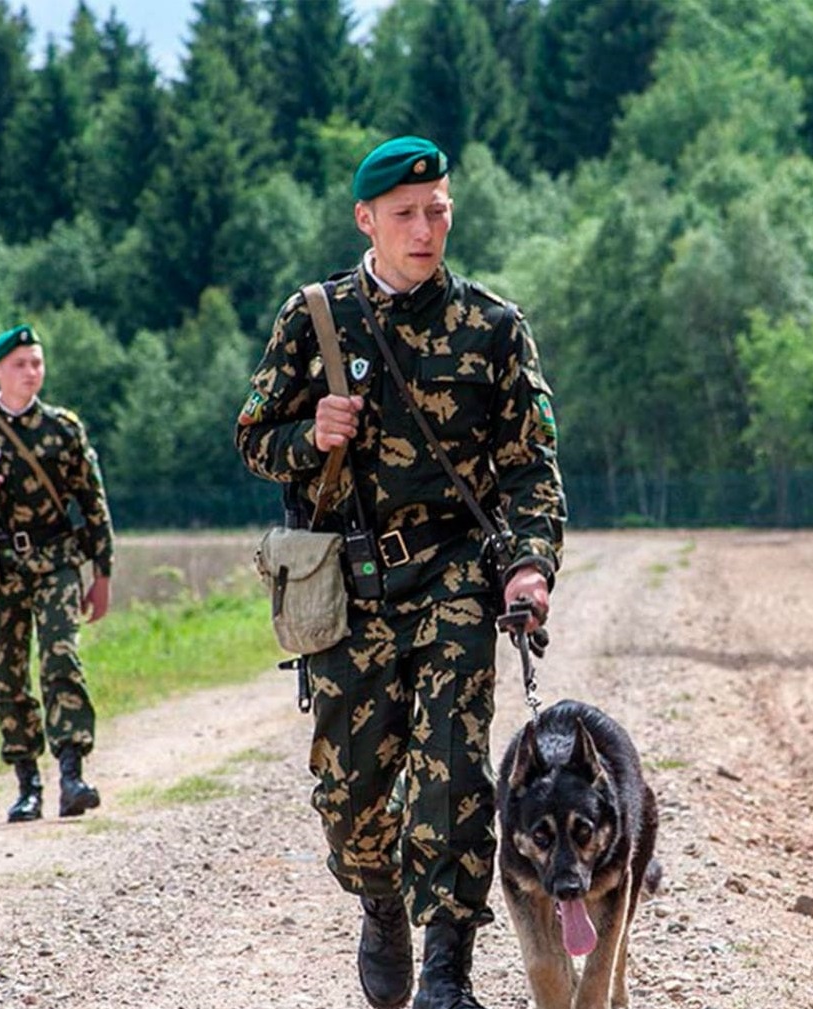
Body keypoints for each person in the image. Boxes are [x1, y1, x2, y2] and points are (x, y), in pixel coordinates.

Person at [236, 136, 564, 1009]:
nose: (426, 229)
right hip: (349, 583)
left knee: (452, 771)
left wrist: (529, 567)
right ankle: (380, 904)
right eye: (407, 214)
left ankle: (447, 972)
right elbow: (252, 437)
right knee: (353, 793)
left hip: (455, 575)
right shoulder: (313, 319)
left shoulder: (494, 327)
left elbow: (530, 466)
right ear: (366, 220)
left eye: (439, 210)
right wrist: (312, 436)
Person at [0, 323, 115, 823]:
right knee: (10, 676)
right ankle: (27, 783)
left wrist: (102, 573)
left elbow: (93, 504)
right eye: (20, 365)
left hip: (56, 562)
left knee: (61, 661)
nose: (31, 372)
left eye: (37, 362)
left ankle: (72, 774)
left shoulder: (63, 429)